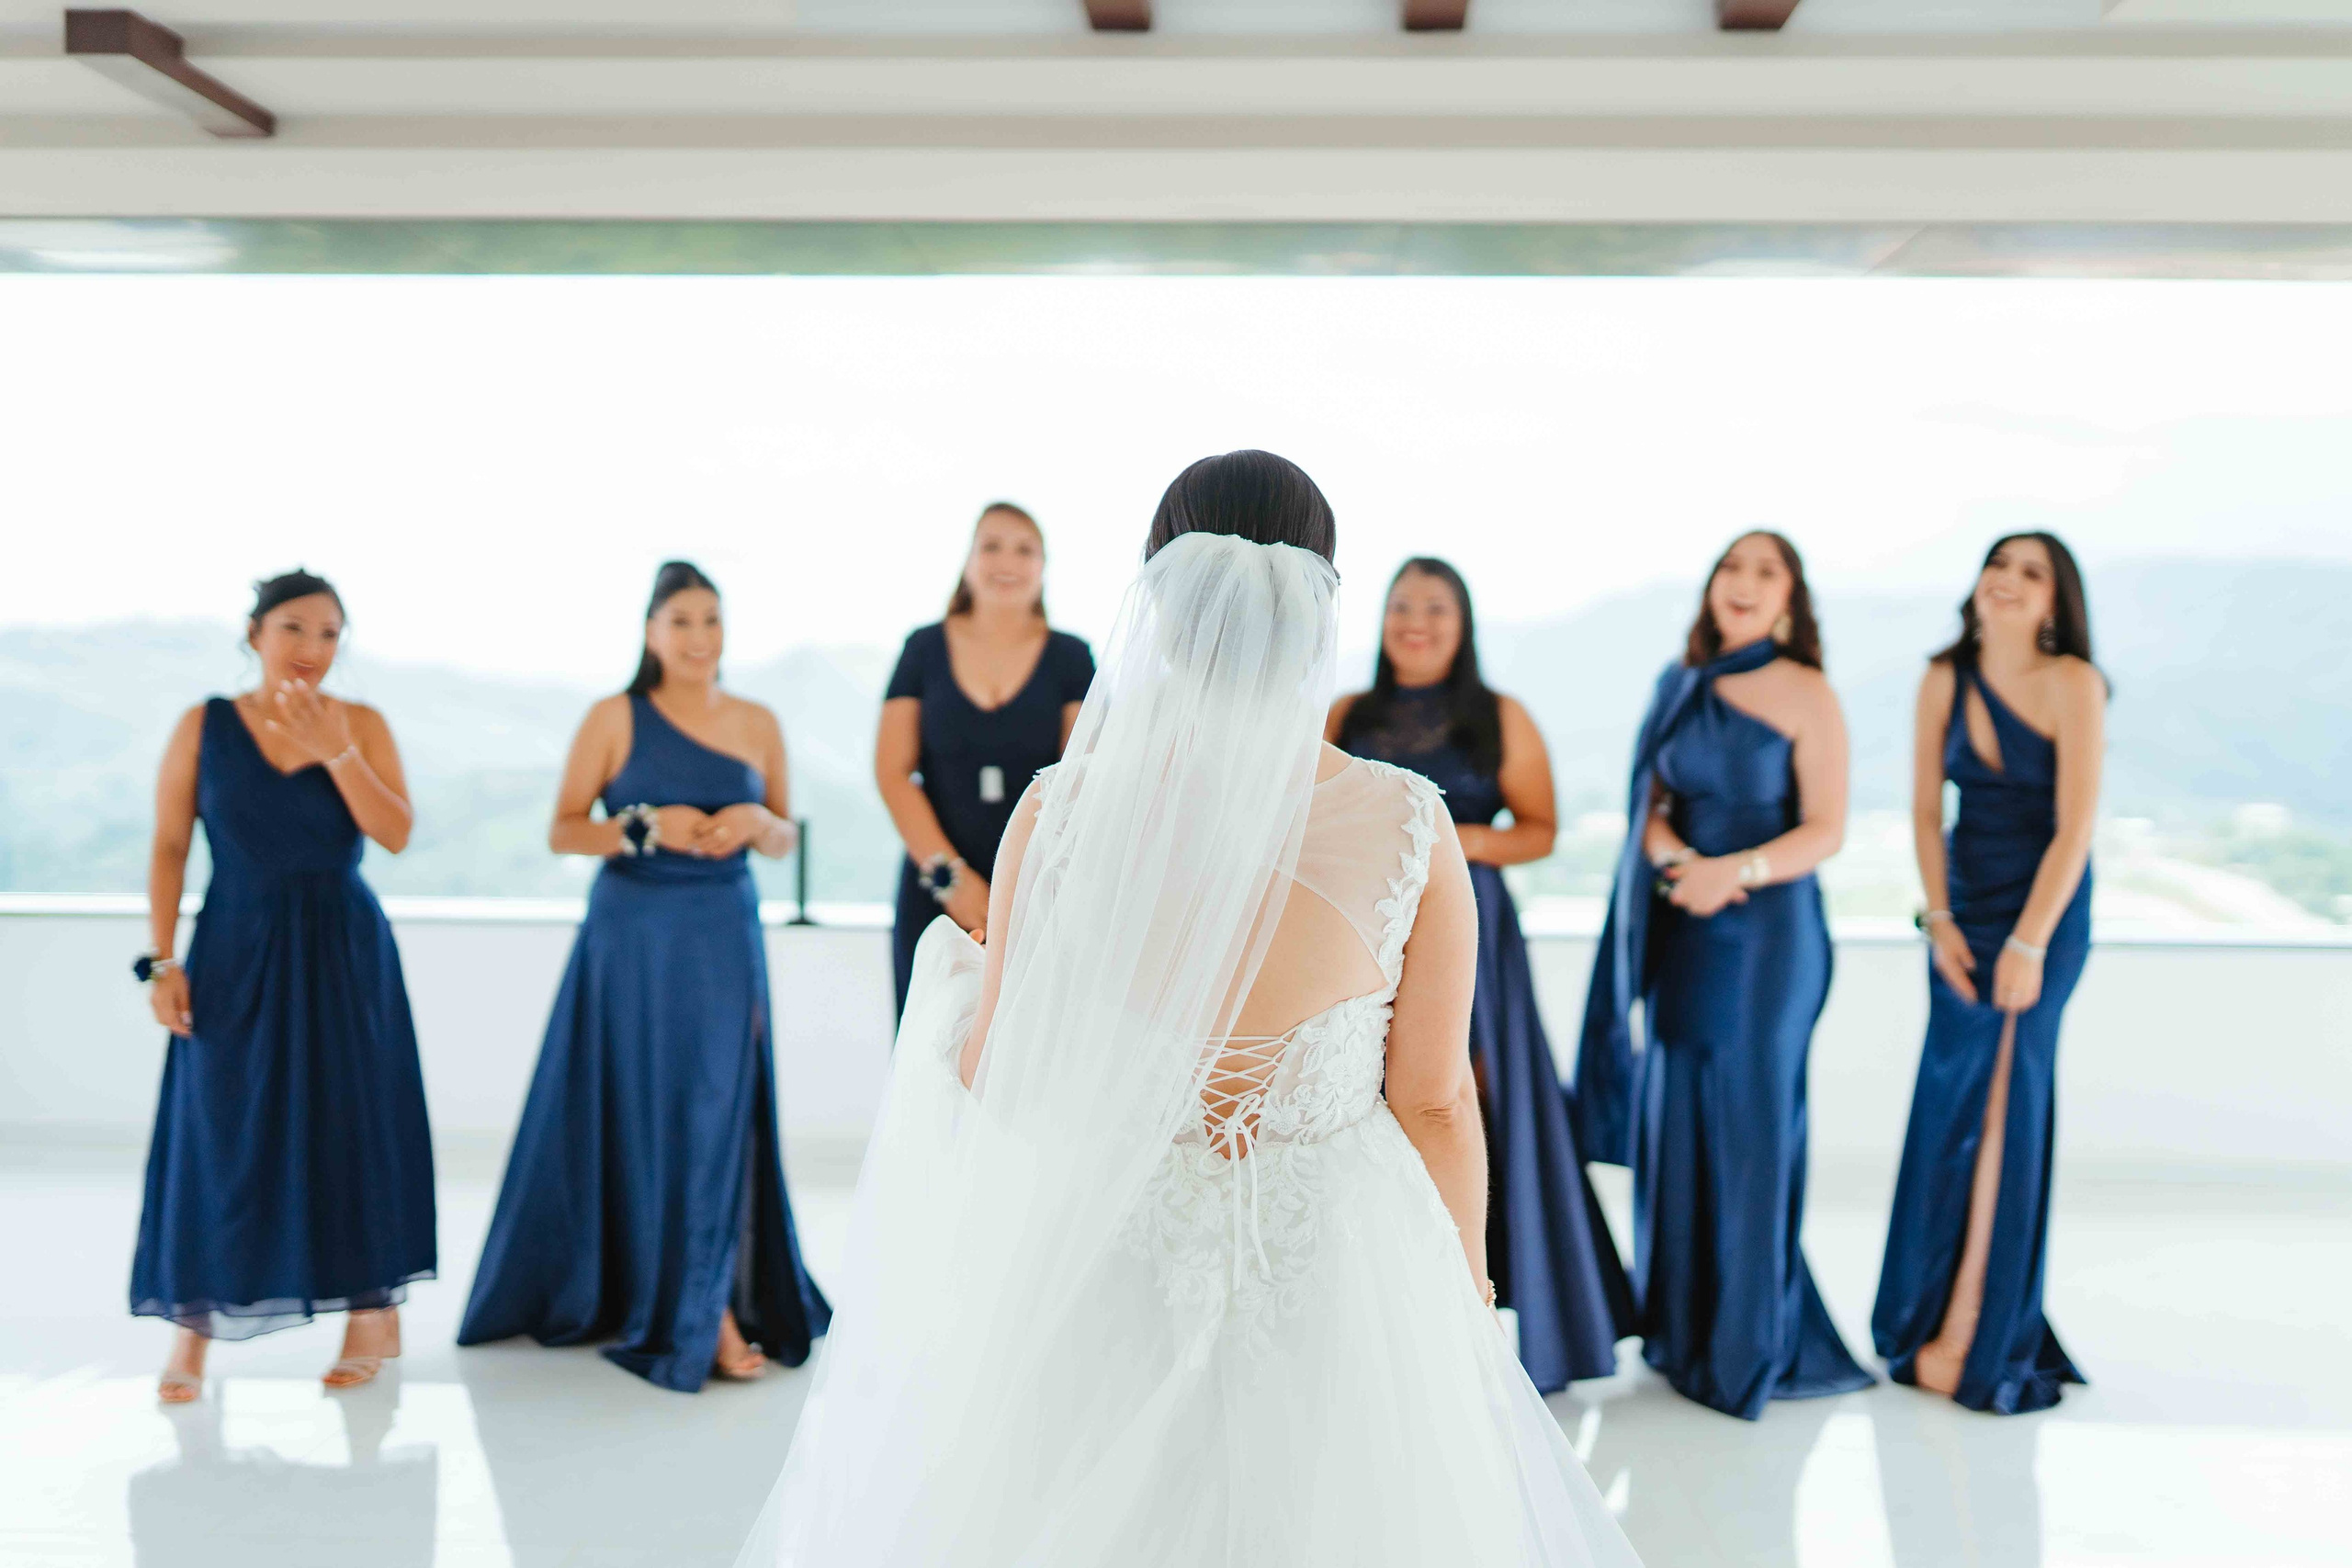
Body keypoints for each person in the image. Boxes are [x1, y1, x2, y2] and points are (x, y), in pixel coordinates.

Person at [735, 452, 1639, 1567]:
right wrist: (1461, 1286)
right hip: (1337, 1261)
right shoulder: (1407, 821)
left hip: (1105, 1247)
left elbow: (996, 1071)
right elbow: (1438, 1101)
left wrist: (957, 991)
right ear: (1318, 607)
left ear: (1158, 603)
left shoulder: (1059, 812)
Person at [458, 561, 829, 1392]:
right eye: (682, 621)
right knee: (641, 1104)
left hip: (722, 933)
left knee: (717, 1105)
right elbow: (562, 830)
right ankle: (691, 1306)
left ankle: (713, 1298)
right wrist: (638, 824)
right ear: (650, 631)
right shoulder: (613, 717)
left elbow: (783, 838)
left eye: (712, 620)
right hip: (632, 938)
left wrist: (756, 819)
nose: (699, 638)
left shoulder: (758, 720)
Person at [1576, 531, 1873, 1421]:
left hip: (1768, 937)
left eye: (1765, 571)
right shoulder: (1679, 681)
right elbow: (1651, 805)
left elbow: (1826, 830)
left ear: (1790, 599)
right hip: (1683, 931)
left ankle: (1747, 1342)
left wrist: (1730, 873)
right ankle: (1678, 1331)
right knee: (1677, 1121)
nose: (1743, 584)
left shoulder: (1806, 690)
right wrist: (1674, 863)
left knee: (1748, 1130)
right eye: (1730, 568)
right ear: (1711, 588)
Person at [130, 570, 435, 1402]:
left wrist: (335, 747)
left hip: (343, 947)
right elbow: (167, 845)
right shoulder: (206, 724)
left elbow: (397, 832)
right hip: (233, 944)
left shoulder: (360, 723)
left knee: (350, 1123)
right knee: (218, 1129)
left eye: (330, 634)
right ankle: (193, 1328)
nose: (312, 650)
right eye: (296, 628)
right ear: (256, 632)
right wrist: (161, 961)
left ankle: (371, 1310)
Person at [1330, 557, 1633, 1392]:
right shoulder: (1345, 713)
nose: (1415, 622)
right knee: (1376, 1097)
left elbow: (1540, 829)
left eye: (1434, 607)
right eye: (1400, 606)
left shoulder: (1501, 715)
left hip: (1474, 931)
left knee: (1483, 1101)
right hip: (1372, 930)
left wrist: (1447, 843)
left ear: (1461, 624)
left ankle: (1505, 1300)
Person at [1872, 532, 2102, 1414]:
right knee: (1950, 1104)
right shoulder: (1944, 678)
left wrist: (2029, 942)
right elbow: (1926, 813)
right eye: (1998, 566)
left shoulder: (2074, 683)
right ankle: (1922, 1311)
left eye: (2030, 573)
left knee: (2009, 1104)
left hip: (2043, 918)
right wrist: (1938, 921)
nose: (2007, 582)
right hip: (1962, 915)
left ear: (2055, 599)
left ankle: (1975, 1334)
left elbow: (2075, 828)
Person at [876, 502, 1093, 1016]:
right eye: (991, 545)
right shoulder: (922, 649)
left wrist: (1024, 886)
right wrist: (951, 880)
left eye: (1025, 549)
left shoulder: (1072, 658)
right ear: (968, 560)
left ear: (1044, 566)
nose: (1007, 561)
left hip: (1040, 891)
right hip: (934, 887)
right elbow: (891, 773)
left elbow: (1083, 777)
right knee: (929, 1048)